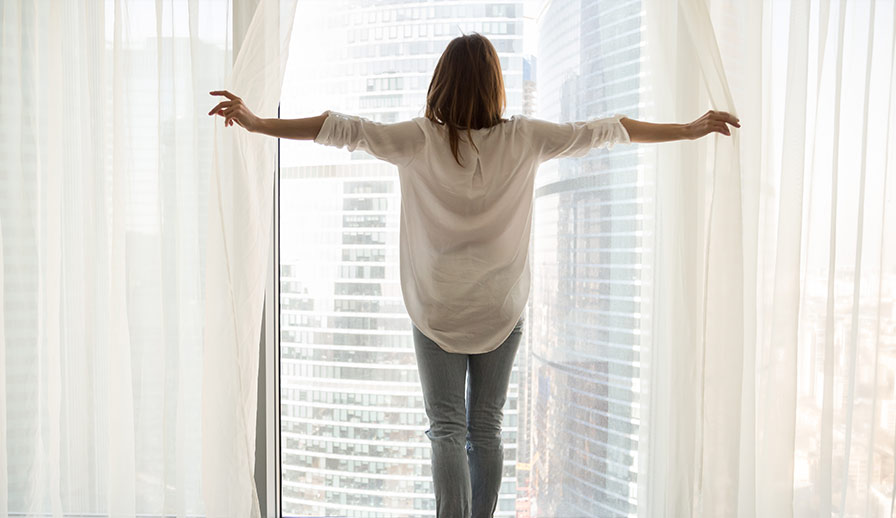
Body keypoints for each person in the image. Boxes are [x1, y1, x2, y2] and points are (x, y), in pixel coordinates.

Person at [209, 32, 738, 518]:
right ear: (495, 85)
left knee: (447, 429)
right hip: (501, 310)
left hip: (436, 308)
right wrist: (689, 130)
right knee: (485, 428)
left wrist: (259, 123)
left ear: (440, 81)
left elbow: (340, 128)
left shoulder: (418, 140)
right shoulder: (526, 138)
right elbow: (609, 130)